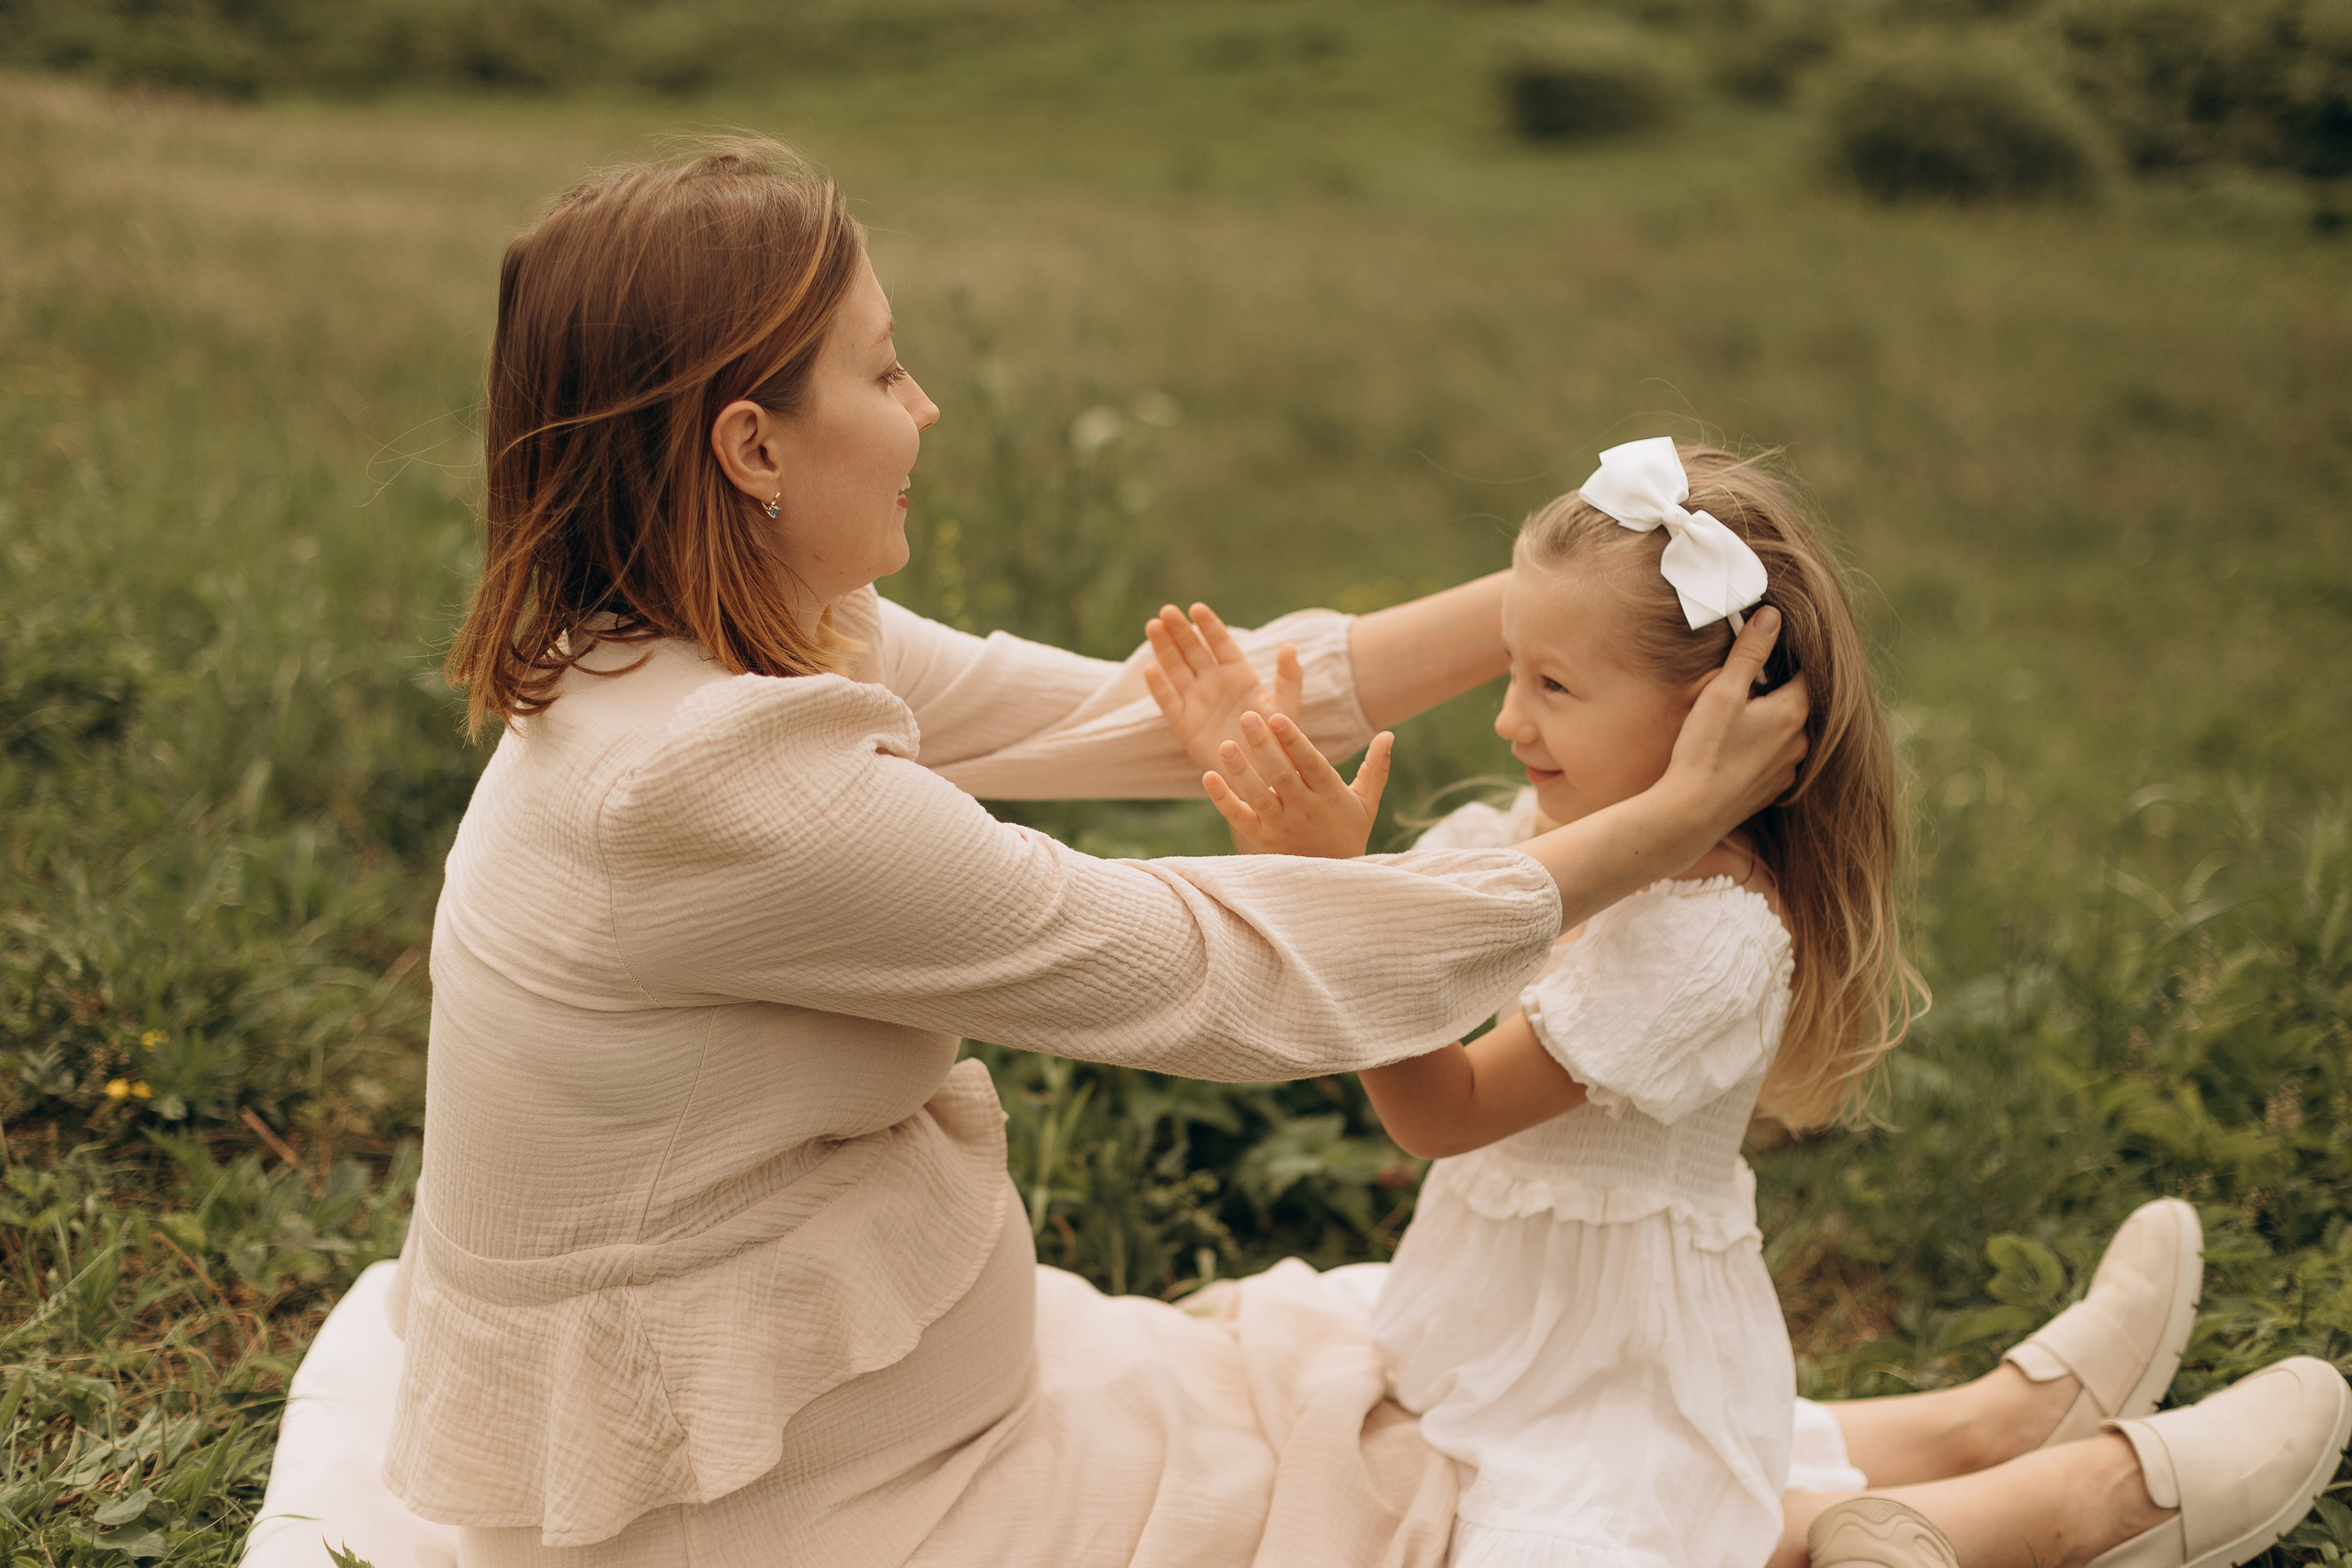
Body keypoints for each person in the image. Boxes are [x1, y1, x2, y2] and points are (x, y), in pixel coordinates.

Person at [251, 138, 2343, 1568]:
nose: (933, 404)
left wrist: (1549, 604)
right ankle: (2067, 1500)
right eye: (886, 368)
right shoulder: (716, 785)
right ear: (750, 445)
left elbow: (1147, 712)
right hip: (808, 1507)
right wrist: (1659, 821)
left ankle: (1986, 1413)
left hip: (860, 1409)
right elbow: (1209, 967)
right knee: (1421, 1496)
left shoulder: (711, 639)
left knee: (1381, 1391)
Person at [1162, 442, 2352, 1568]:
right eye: (1513, 672)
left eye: (1554, 684)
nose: (1507, 720)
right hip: (1505, 1322)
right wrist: (1304, 856)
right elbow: (1393, 964)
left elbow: (1441, 1107)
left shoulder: (1707, 937)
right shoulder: (1546, 833)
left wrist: (1338, 886)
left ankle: (2051, 1506)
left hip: (1617, 1354)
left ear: (1710, 716)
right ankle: (1988, 1424)